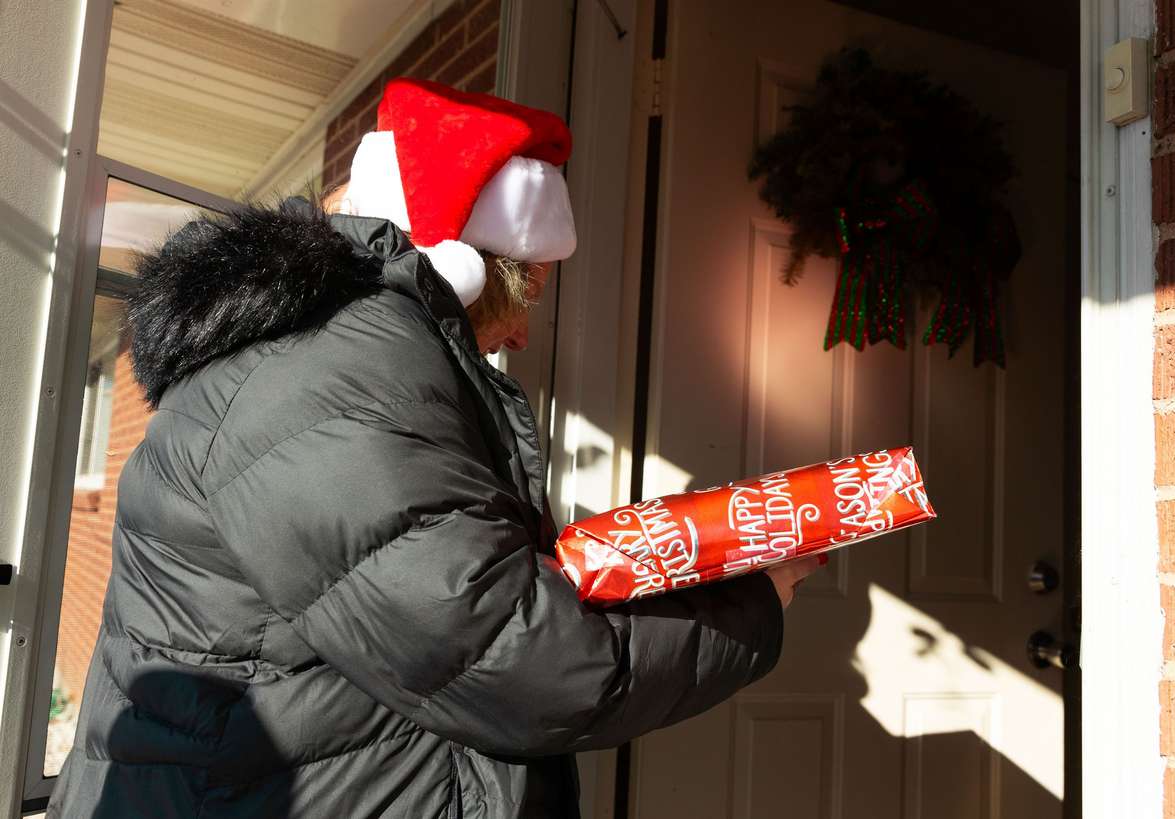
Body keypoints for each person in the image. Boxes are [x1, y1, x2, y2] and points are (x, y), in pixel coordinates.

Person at [48, 79, 823, 819]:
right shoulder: (327, 378)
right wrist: (757, 602)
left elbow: (439, 579)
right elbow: (512, 659)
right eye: (528, 298)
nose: (521, 333)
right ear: (467, 270)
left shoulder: (337, 356)